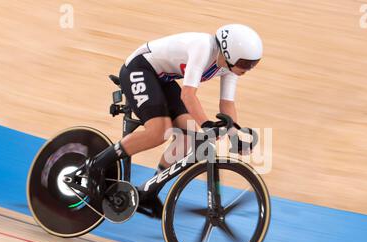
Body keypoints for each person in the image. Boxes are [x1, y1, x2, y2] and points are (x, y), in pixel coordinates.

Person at [83, 23, 263, 218]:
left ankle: (150, 193)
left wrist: (234, 136)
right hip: (139, 68)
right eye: (246, 63)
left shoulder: (229, 68)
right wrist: (207, 125)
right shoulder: (203, 47)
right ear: (229, 53)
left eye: (253, 64)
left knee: (189, 136)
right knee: (159, 131)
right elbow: (188, 95)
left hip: (162, 79)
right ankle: (95, 165)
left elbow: (227, 105)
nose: (248, 69)